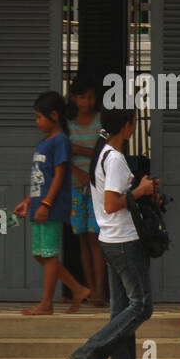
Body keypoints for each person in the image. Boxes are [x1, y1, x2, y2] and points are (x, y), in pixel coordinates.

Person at [65, 106, 158, 359]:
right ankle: (86, 356)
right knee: (141, 306)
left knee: (121, 314)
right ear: (128, 126)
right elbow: (112, 203)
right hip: (124, 241)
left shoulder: (101, 154)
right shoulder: (115, 158)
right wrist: (141, 191)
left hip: (110, 240)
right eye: (132, 123)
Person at [13, 91, 88, 316]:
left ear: (54, 115)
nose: (37, 122)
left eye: (39, 117)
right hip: (40, 205)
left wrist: (46, 204)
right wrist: (28, 202)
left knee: (49, 254)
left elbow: (58, 175)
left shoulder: (60, 141)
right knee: (41, 254)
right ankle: (78, 289)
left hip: (51, 207)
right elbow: (41, 178)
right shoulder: (44, 142)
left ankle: (47, 303)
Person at [67, 71, 108, 307]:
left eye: (91, 97)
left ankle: (100, 290)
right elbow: (64, 154)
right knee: (83, 240)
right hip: (76, 189)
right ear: (74, 98)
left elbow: (105, 152)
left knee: (96, 240)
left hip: (98, 189)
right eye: (82, 97)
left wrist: (79, 150)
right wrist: (77, 172)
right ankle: (90, 288)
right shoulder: (69, 125)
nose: (87, 102)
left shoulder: (102, 123)